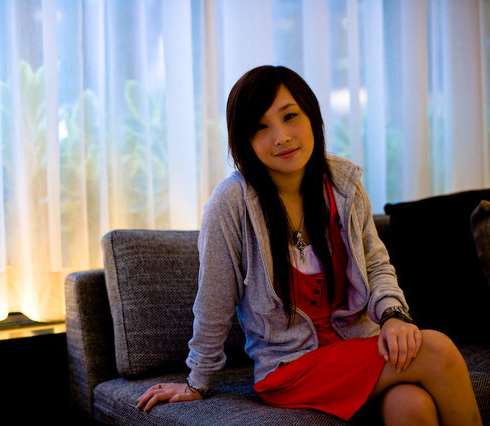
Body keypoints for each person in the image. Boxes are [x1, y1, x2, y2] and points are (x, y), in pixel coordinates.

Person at [136, 65, 482, 425]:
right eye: (261, 127)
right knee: (437, 350)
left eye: (290, 117)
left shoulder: (343, 183)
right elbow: (214, 299)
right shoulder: (231, 203)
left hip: (354, 347)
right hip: (289, 368)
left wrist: (393, 315)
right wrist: (198, 381)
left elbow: (376, 263)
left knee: (411, 405)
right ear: (244, 140)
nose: (281, 137)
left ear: (312, 115)